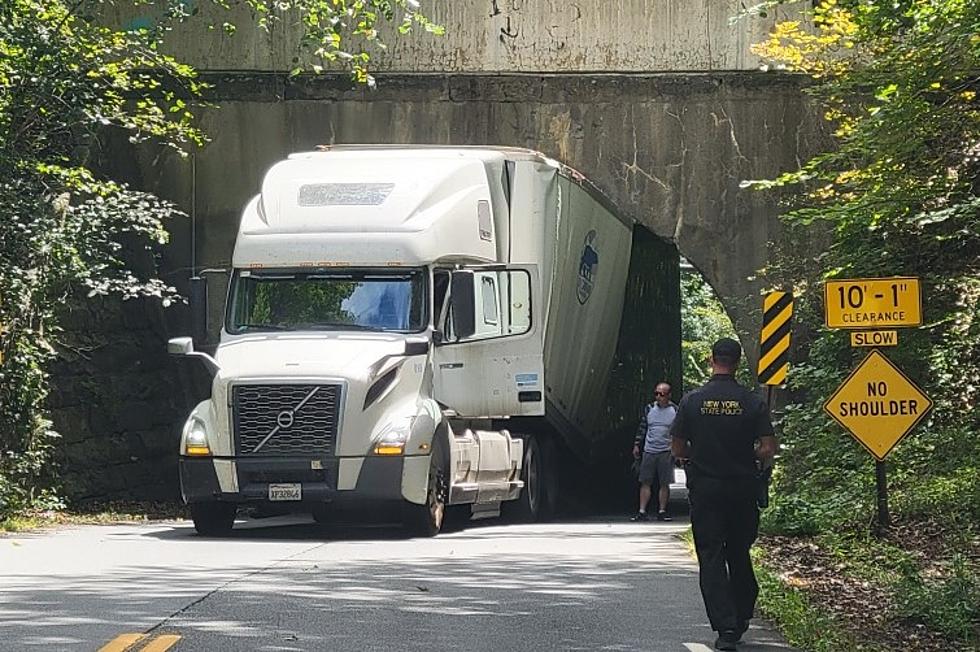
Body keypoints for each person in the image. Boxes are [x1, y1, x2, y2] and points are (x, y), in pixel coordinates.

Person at [670, 338, 777, 651]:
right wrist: (749, 454)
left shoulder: (692, 401)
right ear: (738, 362)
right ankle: (743, 613)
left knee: (712, 555)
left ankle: (726, 628)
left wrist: (698, 452)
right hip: (743, 488)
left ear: (711, 359)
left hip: (706, 489)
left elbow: (677, 447)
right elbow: (768, 447)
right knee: (739, 551)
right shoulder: (752, 401)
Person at [630, 382, 677, 522]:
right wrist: (637, 444)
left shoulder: (675, 410)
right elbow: (643, 427)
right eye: (656, 393)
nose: (658, 397)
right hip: (649, 450)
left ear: (668, 395)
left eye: (661, 394)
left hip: (666, 450)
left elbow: (678, 431)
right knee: (645, 481)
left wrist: (677, 450)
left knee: (664, 482)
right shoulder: (649, 408)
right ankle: (642, 511)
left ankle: (662, 511)